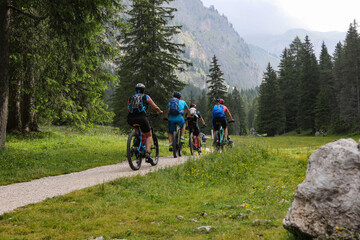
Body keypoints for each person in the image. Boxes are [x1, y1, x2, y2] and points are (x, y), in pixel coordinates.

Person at [127, 83, 163, 161]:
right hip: (141, 117)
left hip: (130, 118)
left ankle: (134, 146)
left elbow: (128, 109)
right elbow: (155, 107)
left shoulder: (130, 97)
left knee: (137, 130)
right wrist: (160, 112)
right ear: (143, 90)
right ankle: (147, 152)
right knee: (149, 135)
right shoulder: (145, 96)